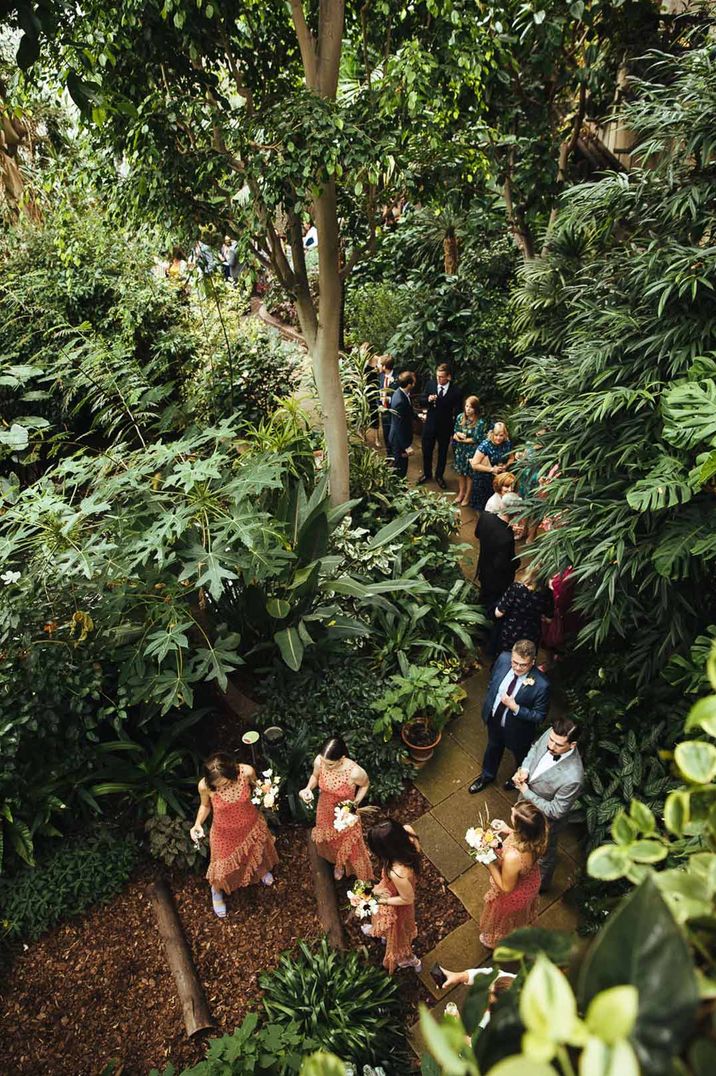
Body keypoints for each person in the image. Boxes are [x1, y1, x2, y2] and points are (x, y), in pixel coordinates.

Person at [190, 753, 279, 918]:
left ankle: (258, 869)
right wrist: (197, 823)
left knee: (254, 850)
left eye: (225, 782)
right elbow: (205, 806)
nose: (222, 786)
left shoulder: (246, 772)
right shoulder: (205, 786)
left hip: (250, 824)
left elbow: (256, 784)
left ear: (232, 772)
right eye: (218, 784)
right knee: (221, 865)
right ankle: (216, 891)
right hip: (224, 834)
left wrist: (265, 789)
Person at [468, 640, 551, 795]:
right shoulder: (503, 659)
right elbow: (493, 681)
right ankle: (487, 776)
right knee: (493, 747)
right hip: (495, 719)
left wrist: (516, 708)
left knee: (521, 757)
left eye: (523, 665)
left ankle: (517, 780)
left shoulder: (542, 685)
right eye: (515, 662)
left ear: (532, 662)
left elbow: (539, 716)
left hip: (518, 730)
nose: (517, 668)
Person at [512, 717, 584, 891]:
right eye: (551, 740)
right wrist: (525, 769)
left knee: (545, 854)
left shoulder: (573, 778)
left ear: (572, 745)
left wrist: (526, 791)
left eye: (558, 745)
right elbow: (535, 748)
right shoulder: (552, 735)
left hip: (545, 822)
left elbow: (556, 811)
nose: (551, 746)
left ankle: (541, 886)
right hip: (526, 807)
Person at [299, 736, 373, 882]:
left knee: (349, 843)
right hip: (325, 809)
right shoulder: (320, 761)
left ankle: (347, 865)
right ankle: (337, 863)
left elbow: (365, 785)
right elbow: (315, 776)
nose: (326, 767)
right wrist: (307, 788)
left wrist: (354, 804)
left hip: (345, 813)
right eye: (324, 762)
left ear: (342, 758)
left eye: (330, 764)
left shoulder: (355, 772)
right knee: (330, 841)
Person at [478, 802, 548, 948]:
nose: (511, 809)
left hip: (514, 896)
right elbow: (521, 840)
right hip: (531, 881)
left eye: (513, 813)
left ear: (521, 828)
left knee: (502, 922)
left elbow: (506, 887)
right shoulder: (539, 835)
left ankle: (493, 941)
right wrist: (507, 830)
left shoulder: (512, 858)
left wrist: (487, 861)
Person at [364, 819, 422, 973]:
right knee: (384, 924)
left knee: (398, 935)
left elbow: (407, 898)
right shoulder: (408, 831)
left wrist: (380, 900)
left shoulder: (397, 872)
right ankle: (381, 933)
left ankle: (408, 959)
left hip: (398, 907)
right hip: (392, 891)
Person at [475, 491, 522, 613]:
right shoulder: (506, 538)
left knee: (484, 595)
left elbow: (477, 534)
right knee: (493, 604)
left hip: (483, 566)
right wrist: (517, 562)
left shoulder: (485, 516)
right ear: (515, 512)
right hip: (497, 580)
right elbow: (502, 565)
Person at [417, 363, 461, 490]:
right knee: (426, 450)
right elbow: (421, 400)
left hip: (445, 426)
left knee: (442, 453)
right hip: (430, 424)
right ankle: (427, 473)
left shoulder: (455, 391)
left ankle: (439, 476)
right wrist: (428, 400)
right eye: (437, 376)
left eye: (441, 377)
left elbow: (457, 412)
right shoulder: (430, 384)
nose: (439, 379)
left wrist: (455, 431)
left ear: (448, 377)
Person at [495, 567, 554, 653]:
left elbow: (498, 613)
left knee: (505, 657)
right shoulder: (547, 594)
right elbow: (549, 619)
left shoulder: (516, 588)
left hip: (511, 630)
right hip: (531, 634)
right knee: (525, 659)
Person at [470, 423, 514, 510]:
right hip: (483, 479)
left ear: (505, 434)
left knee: (497, 503)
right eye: (496, 435)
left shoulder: (507, 443)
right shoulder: (485, 445)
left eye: (501, 435)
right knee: (482, 504)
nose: (498, 438)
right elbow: (474, 464)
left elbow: (511, 458)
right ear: (492, 434)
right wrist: (492, 469)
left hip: (499, 479)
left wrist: (505, 466)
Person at [452, 395, 486, 506]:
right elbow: (455, 431)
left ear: (475, 409)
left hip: (471, 452)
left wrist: (463, 440)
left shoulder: (480, 423)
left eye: (470, 407)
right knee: (461, 473)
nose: (467, 409)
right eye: (466, 406)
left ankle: (467, 496)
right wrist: (457, 435)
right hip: (460, 451)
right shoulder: (460, 417)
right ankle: (461, 493)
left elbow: (477, 439)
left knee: (469, 475)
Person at [389, 370, 416, 479]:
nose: (415, 384)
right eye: (413, 382)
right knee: (400, 469)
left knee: (401, 467)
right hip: (399, 441)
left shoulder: (399, 393)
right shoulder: (400, 401)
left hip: (399, 438)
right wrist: (406, 446)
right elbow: (399, 426)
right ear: (409, 384)